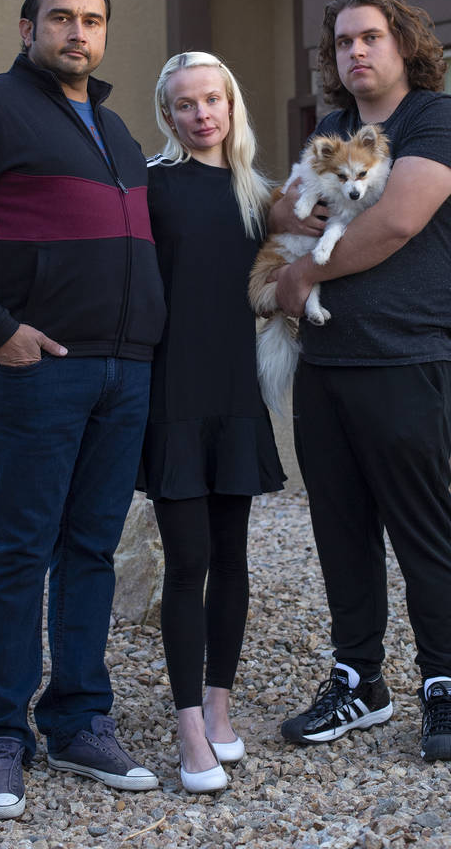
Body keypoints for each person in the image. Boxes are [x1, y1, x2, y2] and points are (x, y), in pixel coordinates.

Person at [0, 0, 166, 819]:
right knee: (21, 551)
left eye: (93, 20)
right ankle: (0, 737)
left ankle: (81, 720)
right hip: (37, 370)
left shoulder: (122, 131)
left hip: (123, 372)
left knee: (93, 549)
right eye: (61, 17)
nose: (78, 33)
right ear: (28, 28)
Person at [270, 0, 451, 762]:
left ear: (403, 45)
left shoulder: (436, 120)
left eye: (370, 38)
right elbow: (282, 209)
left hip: (407, 355)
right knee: (341, 528)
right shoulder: (330, 128)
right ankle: (359, 680)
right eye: (342, 44)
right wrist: (287, 221)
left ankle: (446, 688)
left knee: (421, 527)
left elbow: (396, 220)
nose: (354, 52)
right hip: (325, 361)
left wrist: (300, 281)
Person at [140, 51, 286, 793]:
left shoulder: (257, 194)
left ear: (232, 105)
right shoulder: (150, 186)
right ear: (168, 116)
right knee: (188, 562)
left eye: (213, 100)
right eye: (186, 104)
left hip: (236, 398)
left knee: (234, 560)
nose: (202, 114)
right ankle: (188, 722)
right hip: (174, 400)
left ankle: (222, 706)